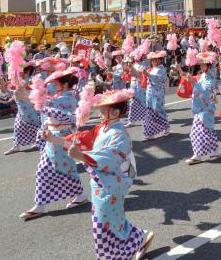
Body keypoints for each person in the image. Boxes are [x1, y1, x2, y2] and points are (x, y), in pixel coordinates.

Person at [58, 89, 154, 260]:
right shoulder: (103, 128)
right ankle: (140, 237)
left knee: (103, 226)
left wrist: (81, 156)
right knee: (114, 220)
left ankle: (113, 256)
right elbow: (85, 138)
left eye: (104, 110)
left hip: (112, 184)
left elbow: (108, 157)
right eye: (101, 109)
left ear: (116, 112)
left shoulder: (119, 134)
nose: (100, 113)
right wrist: (55, 139)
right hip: (101, 183)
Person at [19, 71, 87, 220]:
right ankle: (80, 195)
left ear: (64, 84)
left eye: (57, 83)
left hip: (61, 137)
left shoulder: (69, 99)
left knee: (51, 169)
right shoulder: (59, 97)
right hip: (53, 137)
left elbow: (53, 110)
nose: (54, 85)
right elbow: (45, 105)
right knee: (59, 169)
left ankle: (41, 205)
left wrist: (31, 100)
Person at [184, 51, 220, 165]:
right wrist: (192, 82)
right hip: (201, 108)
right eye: (201, 64)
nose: (201, 66)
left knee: (202, 132)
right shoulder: (204, 75)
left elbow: (205, 91)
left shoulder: (211, 77)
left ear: (209, 65)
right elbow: (200, 88)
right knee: (199, 132)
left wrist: (193, 83)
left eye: (204, 64)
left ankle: (203, 154)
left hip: (206, 109)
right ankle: (209, 152)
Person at [134, 50, 171, 140]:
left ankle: (165, 128)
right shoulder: (153, 68)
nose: (153, 61)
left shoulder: (161, 68)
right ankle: (151, 132)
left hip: (157, 94)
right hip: (150, 92)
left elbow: (159, 79)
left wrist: (148, 74)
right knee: (150, 111)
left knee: (157, 110)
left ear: (159, 60)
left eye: (154, 60)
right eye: (152, 60)